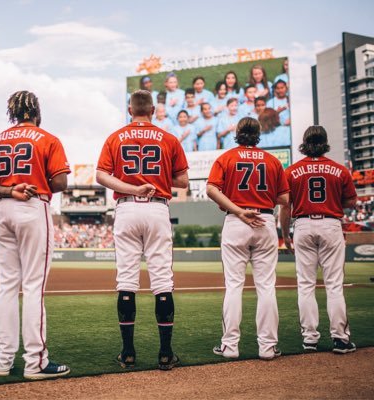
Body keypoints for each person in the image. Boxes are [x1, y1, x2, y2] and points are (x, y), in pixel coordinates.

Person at [0, 91, 71, 380]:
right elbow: (61, 182)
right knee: (32, 287)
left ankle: (2, 360)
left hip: (3, 209)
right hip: (32, 206)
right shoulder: (48, 139)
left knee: (6, 286)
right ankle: (35, 362)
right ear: (36, 112)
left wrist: (8, 189)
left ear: (12, 113)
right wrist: (33, 184)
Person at [96, 90, 189, 371]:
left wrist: (133, 187)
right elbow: (183, 180)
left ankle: (128, 353)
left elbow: (101, 175)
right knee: (162, 280)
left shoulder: (115, 137)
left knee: (126, 280)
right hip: (157, 207)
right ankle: (165, 354)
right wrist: (156, 178)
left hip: (126, 208)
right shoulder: (169, 139)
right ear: (152, 110)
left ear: (129, 109)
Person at [207, 117, 289, 360]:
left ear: (237, 133)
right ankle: (267, 347)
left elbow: (211, 189)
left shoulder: (226, 158)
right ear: (258, 134)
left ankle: (230, 346)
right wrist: (262, 197)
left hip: (236, 220)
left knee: (234, 286)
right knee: (266, 287)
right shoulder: (273, 161)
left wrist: (239, 209)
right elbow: (285, 200)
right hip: (264, 221)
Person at [279, 125, 357, 354]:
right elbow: (351, 202)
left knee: (305, 285)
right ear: (324, 142)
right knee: (334, 285)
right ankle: (340, 339)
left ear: (304, 143)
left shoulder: (291, 171)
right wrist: (332, 202)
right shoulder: (339, 170)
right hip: (330, 224)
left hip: (302, 224)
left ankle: (310, 339)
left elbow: (285, 207)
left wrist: (285, 235)